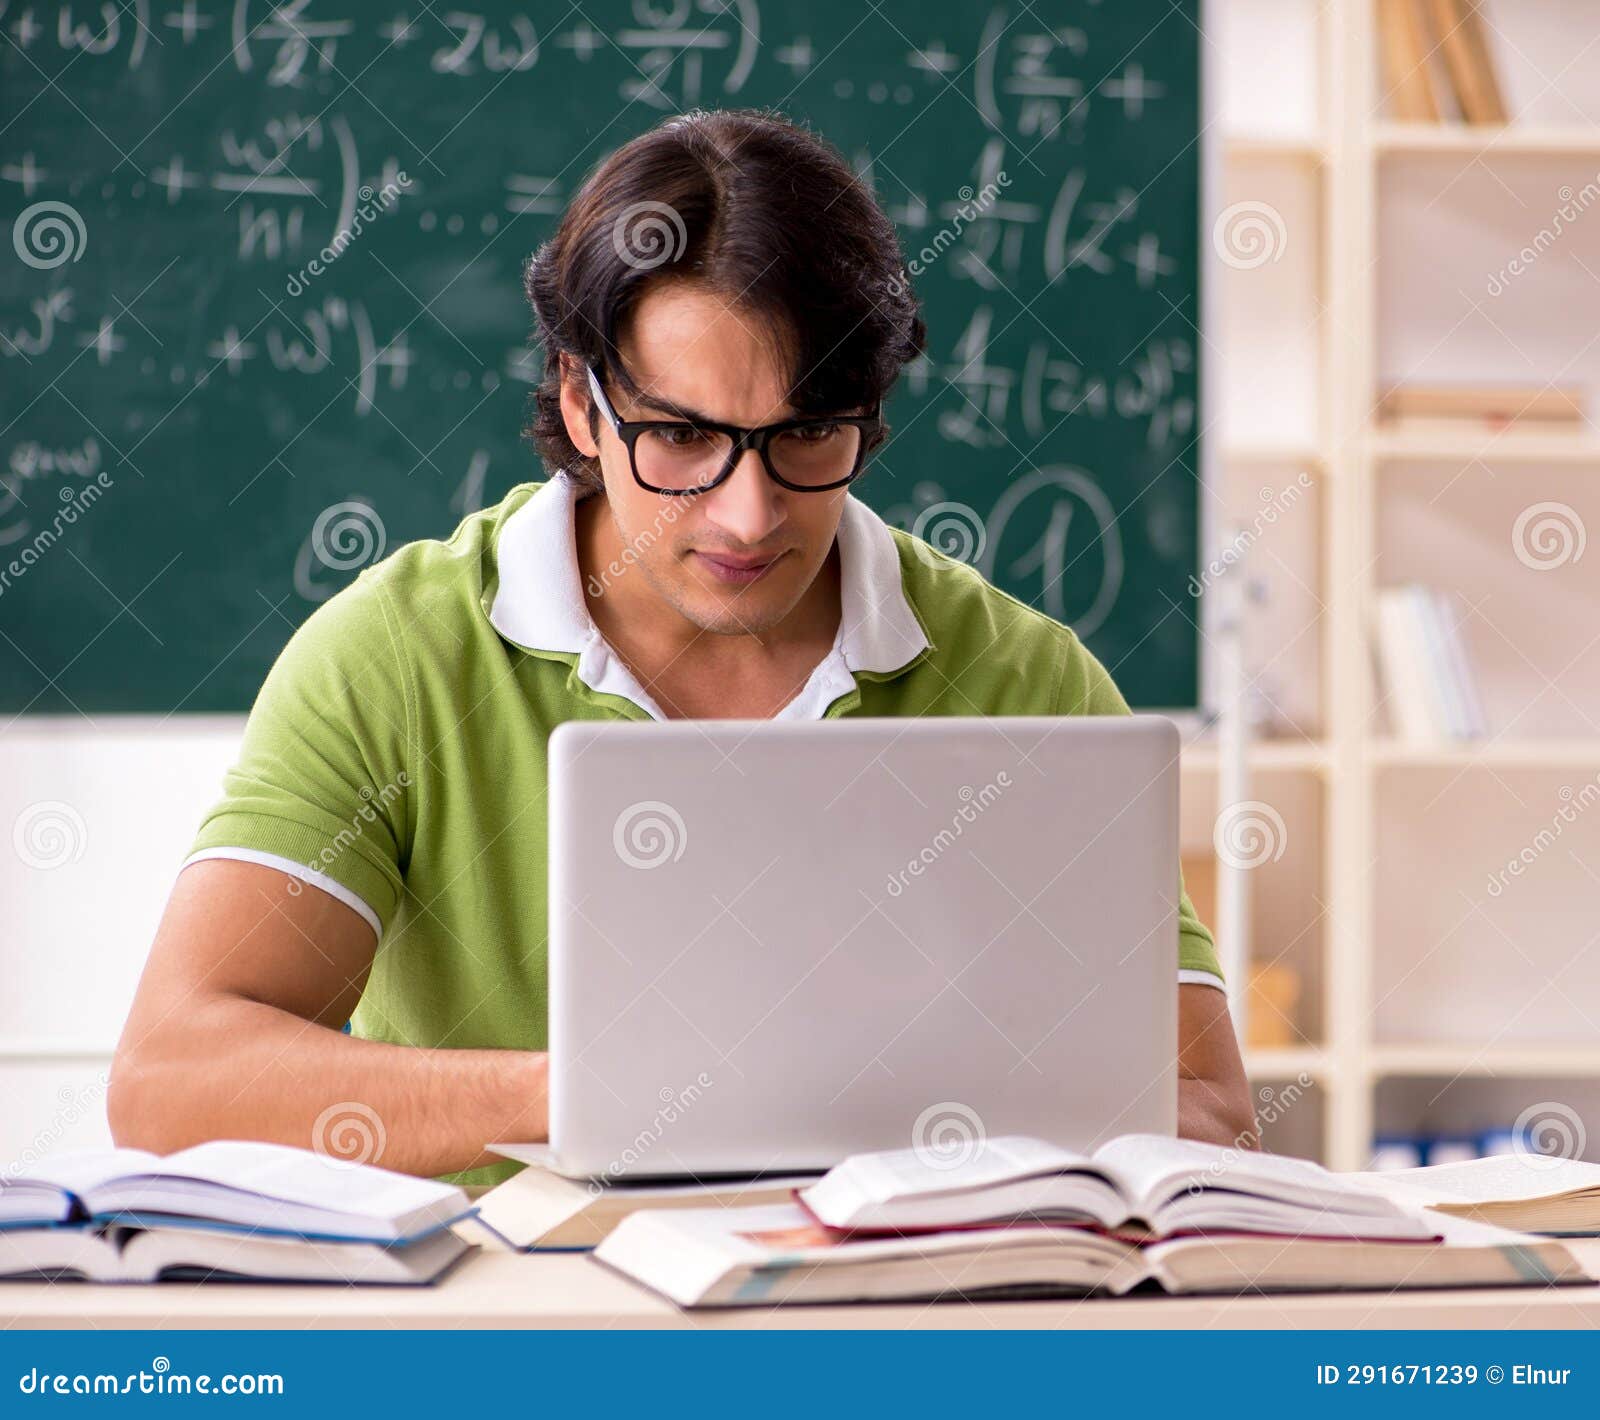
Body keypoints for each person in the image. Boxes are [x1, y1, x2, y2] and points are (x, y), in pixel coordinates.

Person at [110, 109, 1255, 1185]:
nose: (746, 515)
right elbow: (171, 1079)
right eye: (679, 435)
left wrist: (855, 1117)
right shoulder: (399, 654)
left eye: (806, 431)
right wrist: (590, 1096)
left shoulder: (1026, 680)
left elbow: (1209, 1107)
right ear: (578, 404)